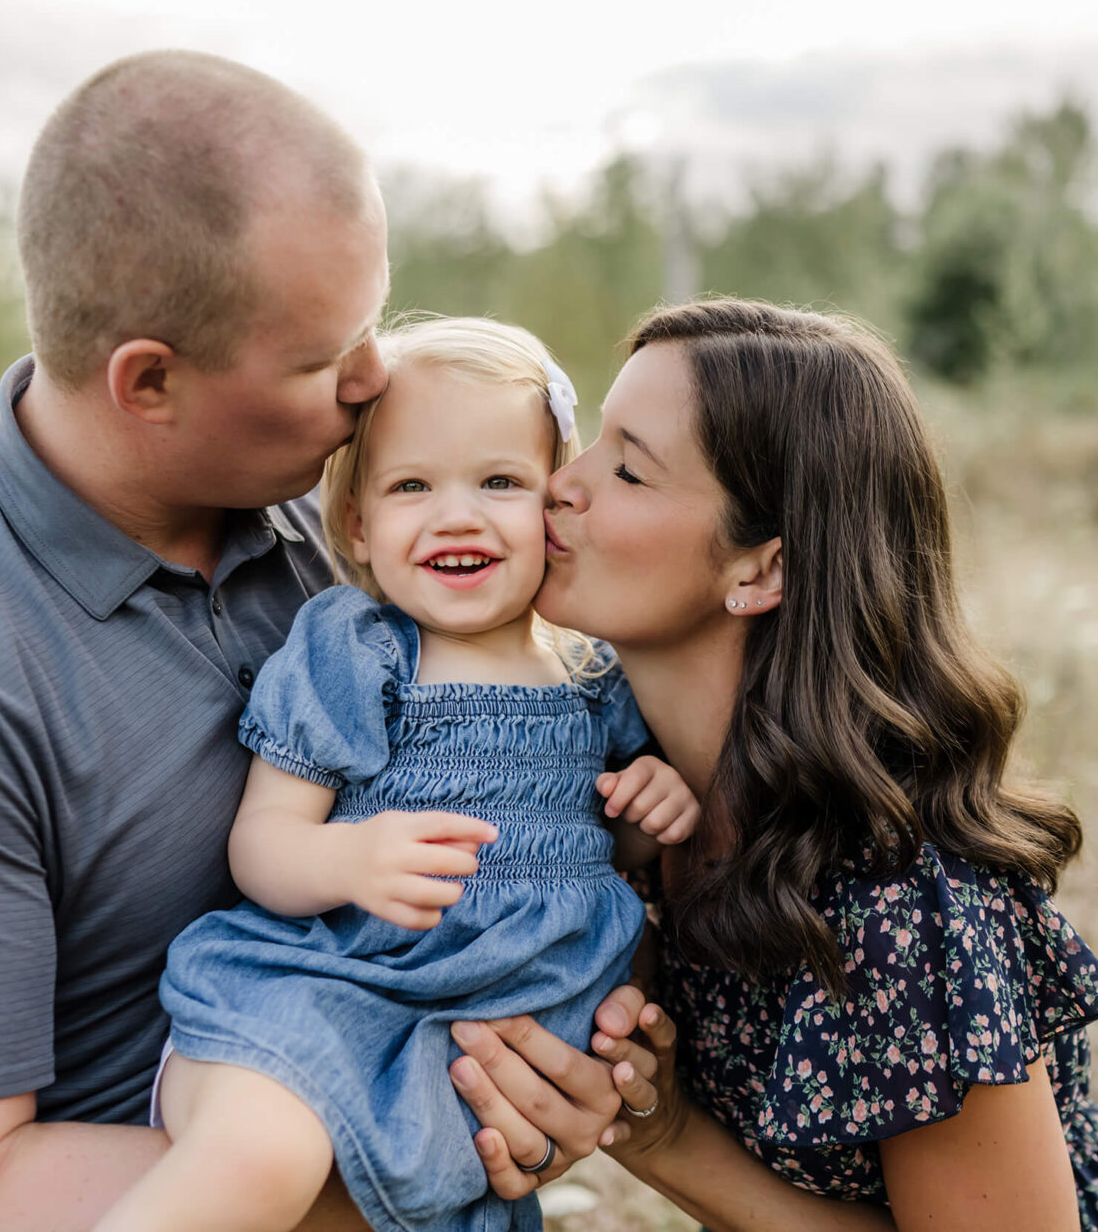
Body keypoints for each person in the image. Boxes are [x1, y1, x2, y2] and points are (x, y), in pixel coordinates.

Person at [0, 53, 625, 1232]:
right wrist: (430, 1152)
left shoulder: (362, 536)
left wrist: (580, 1066)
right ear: (147, 381)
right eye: (324, 357)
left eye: (374, 321)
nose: (375, 384)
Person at [456, 299, 1098, 1230]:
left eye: (628, 468)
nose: (559, 485)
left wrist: (665, 1136)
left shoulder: (897, 899)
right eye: (589, 443)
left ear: (759, 570)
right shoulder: (612, 785)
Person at [95, 317, 701, 1232]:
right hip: (335, 990)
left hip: (484, 1031)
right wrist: (347, 861)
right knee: (262, 1157)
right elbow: (263, 842)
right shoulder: (362, 652)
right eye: (413, 485)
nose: (457, 514)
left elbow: (604, 843)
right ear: (359, 524)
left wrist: (650, 808)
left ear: (556, 505)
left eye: (500, 481)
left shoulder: (592, 673)